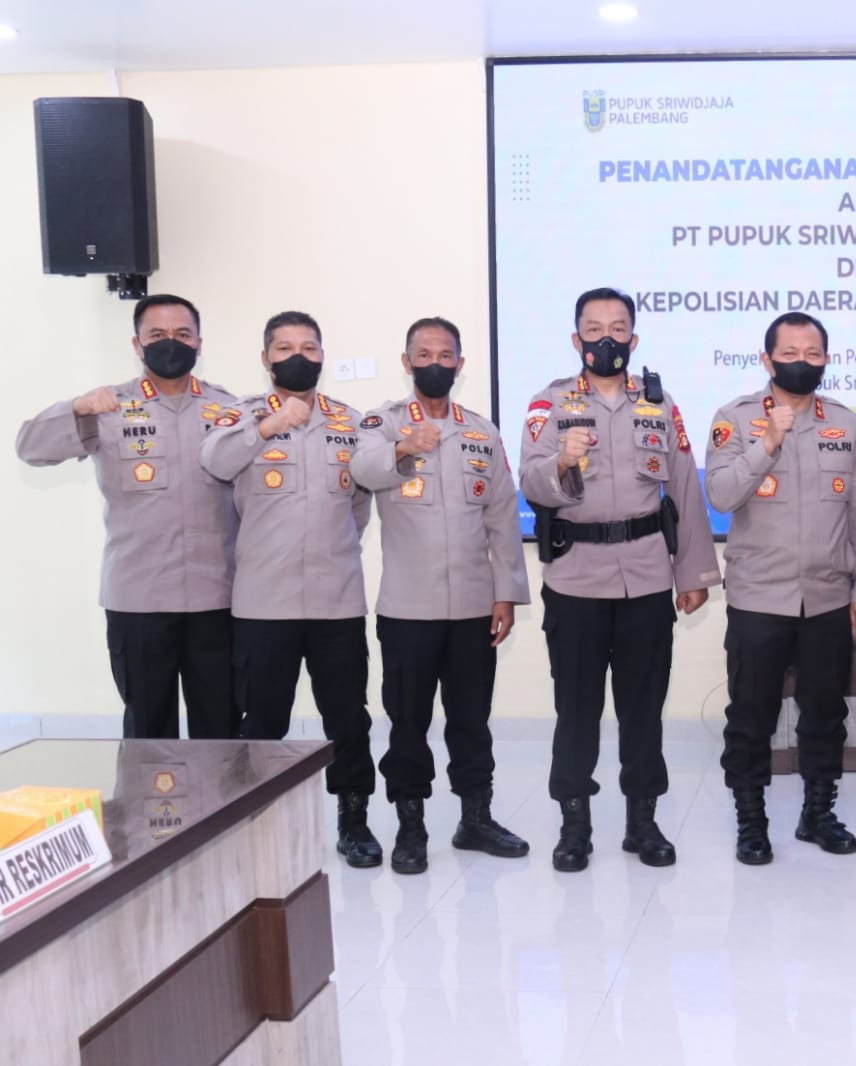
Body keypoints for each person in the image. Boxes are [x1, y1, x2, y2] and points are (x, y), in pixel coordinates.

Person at [519, 288, 720, 872]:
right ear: (575, 338)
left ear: (634, 339)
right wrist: (560, 460)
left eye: (617, 327)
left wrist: (695, 572)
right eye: (593, 327)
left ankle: (643, 821)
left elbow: (683, 487)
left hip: (648, 575)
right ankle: (574, 824)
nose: (605, 338)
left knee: (643, 706)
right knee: (575, 707)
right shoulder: (550, 404)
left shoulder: (659, 403)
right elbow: (532, 480)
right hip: (577, 577)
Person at [199, 311, 382, 869]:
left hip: (336, 600)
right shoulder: (240, 416)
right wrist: (267, 429)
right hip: (264, 601)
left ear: (323, 356)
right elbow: (215, 462)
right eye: (284, 347)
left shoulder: (351, 422)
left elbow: (358, 507)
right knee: (263, 722)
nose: (296, 355)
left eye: (308, 346)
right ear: (266, 359)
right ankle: (259, 825)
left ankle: (354, 820)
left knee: (348, 718)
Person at [350, 317, 532, 874]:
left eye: (445, 353)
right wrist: (404, 448)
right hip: (409, 608)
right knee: (407, 722)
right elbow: (361, 469)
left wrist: (507, 594)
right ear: (407, 362)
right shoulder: (381, 422)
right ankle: (411, 826)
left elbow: (502, 518)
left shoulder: (481, 430)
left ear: (459, 363)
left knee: (471, 720)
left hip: (475, 606)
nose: (434, 361)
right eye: (423, 353)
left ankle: (475, 818)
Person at [704, 311, 856, 865]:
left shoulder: (847, 424)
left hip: (829, 598)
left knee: (826, 714)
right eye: (789, 352)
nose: (800, 362)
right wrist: (768, 443)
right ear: (766, 359)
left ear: (826, 359)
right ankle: (752, 821)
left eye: (812, 353)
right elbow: (720, 494)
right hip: (760, 597)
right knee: (751, 714)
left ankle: (817, 813)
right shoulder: (734, 419)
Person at [16, 294, 240, 740]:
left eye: (182, 334)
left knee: (220, 726)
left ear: (199, 343)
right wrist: (76, 407)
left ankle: (220, 811)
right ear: (137, 345)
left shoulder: (230, 410)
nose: (170, 343)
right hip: (139, 598)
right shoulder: (108, 406)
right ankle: (148, 811)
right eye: (157, 335)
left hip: (218, 595)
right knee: (148, 728)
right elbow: (30, 448)